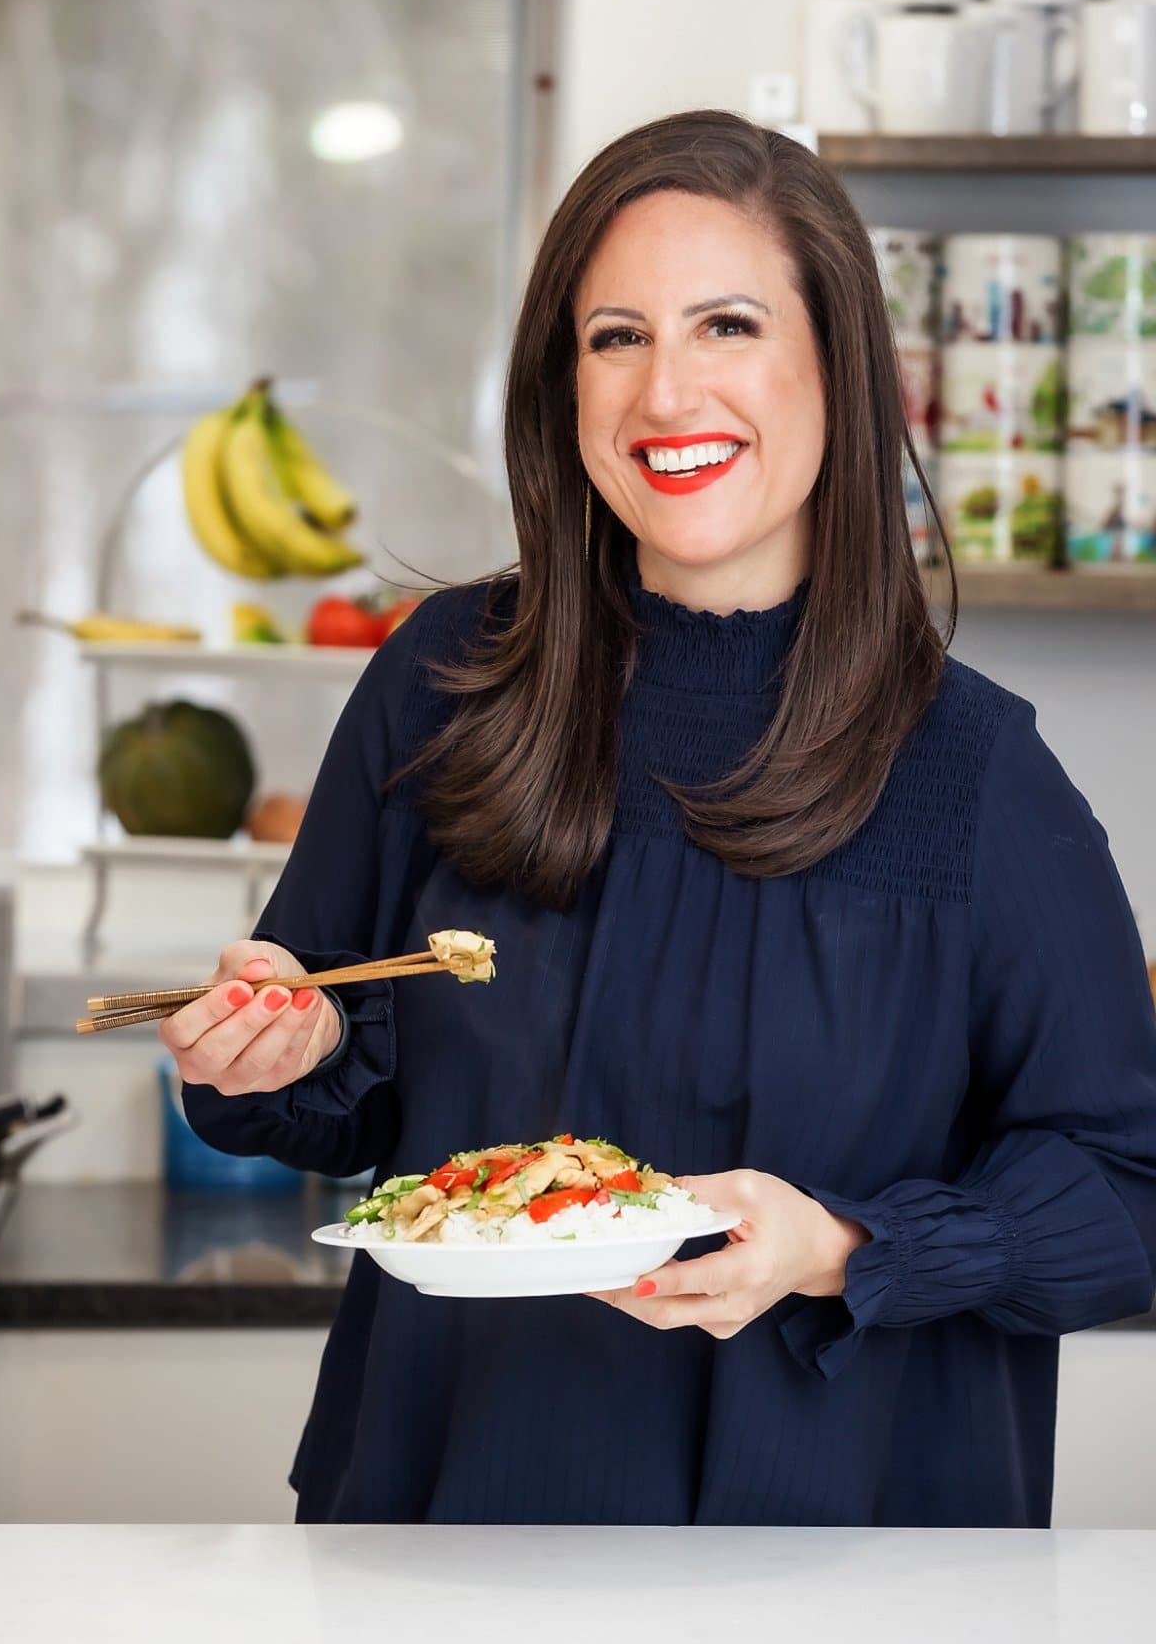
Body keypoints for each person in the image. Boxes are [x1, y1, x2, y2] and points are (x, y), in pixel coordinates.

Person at [161, 111, 1156, 1526]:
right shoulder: (445, 683)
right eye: (616, 337)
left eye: (728, 326)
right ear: (563, 387)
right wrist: (280, 1047)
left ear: (842, 367)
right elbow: (339, 1075)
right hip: (454, 1525)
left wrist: (844, 1244)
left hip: (843, 1556)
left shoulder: (974, 769)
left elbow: (1128, 1186)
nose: (666, 392)